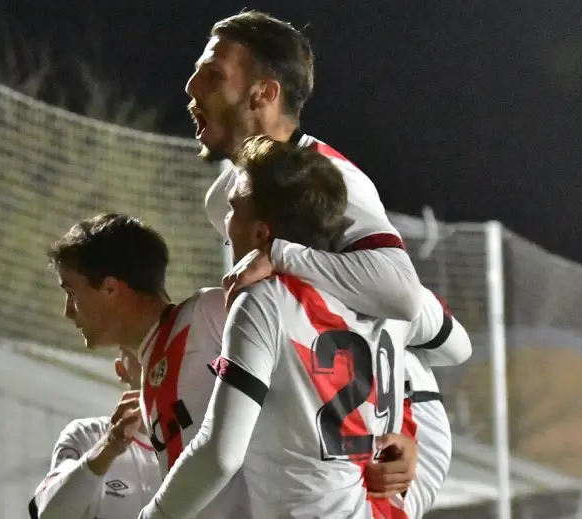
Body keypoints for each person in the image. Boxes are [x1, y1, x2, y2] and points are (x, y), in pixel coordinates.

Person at [186, 11, 470, 515]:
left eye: (213, 74)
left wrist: (281, 253)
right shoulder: (224, 198)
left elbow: (400, 298)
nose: (191, 86)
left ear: (263, 94)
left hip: (380, 446)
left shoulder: (338, 182)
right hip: (334, 435)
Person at [137, 136, 471, 519]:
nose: (225, 224)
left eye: (233, 209)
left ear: (262, 233)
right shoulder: (394, 298)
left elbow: (220, 454)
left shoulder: (265, 300)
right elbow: (458, 348)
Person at [46, 211, 419, 519]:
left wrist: (400, 429)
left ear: (110, 287)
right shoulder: (150, 372)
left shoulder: (209, 312)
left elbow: (333, 348)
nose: (67, 311)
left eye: (70, 291)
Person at [29, 349, 162, 519]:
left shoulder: (193, 447)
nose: (152, 355)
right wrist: (109, 446)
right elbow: (50, 515)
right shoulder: (85, 434)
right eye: (138, 349)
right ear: (121, 370)